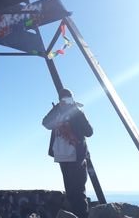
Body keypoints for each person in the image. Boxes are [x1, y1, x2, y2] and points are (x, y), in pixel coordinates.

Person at [42, 88, 93, 218]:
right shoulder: (68, 112)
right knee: (76, 191)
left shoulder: (67, 113)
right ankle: (80, 215)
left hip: (69, 156)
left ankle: (78, 215)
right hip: (70, 156)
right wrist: (62, 109)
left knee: (74, 191)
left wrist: (65, 109)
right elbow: (89, 132)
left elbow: (89, 132)